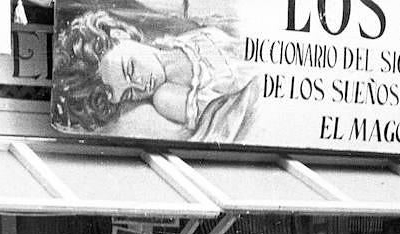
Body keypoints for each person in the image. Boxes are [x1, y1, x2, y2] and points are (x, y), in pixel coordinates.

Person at [52, 10, 259, 142]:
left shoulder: (184, 38)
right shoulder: (165, 97)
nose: (141, 86)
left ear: (120, 35)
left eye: (130, 69)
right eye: (129, 94)